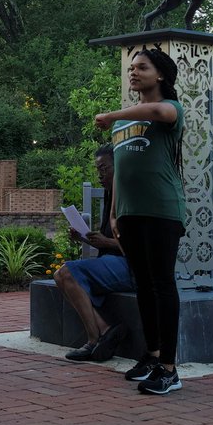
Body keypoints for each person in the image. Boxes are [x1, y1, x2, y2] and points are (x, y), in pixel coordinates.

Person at [94, 48, 185, 396]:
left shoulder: (171, 110)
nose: (133, 72)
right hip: (130, 214)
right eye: (131, 68)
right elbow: (119, 172)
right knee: (143, 286)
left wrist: (112, 113)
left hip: (162, 210)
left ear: (160, 74)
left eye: (142, 67)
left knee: (162, 284)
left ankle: (170, 369)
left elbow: (158, 110)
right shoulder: (123, 122)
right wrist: (115, 212)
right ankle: (151, 355)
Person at [53, 143, 133, 363]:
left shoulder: (130, 196)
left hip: (132, 267)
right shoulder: (110, 196)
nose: (100, 175)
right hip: (112, 262)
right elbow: (111, 242)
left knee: (68, 272)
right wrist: (83, 237)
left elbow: (140, 244)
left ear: (119, 167)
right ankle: (104, 329)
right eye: (98, 170)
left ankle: (92, 339)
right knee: (60, 275)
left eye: (104, 169)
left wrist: (107, 241)